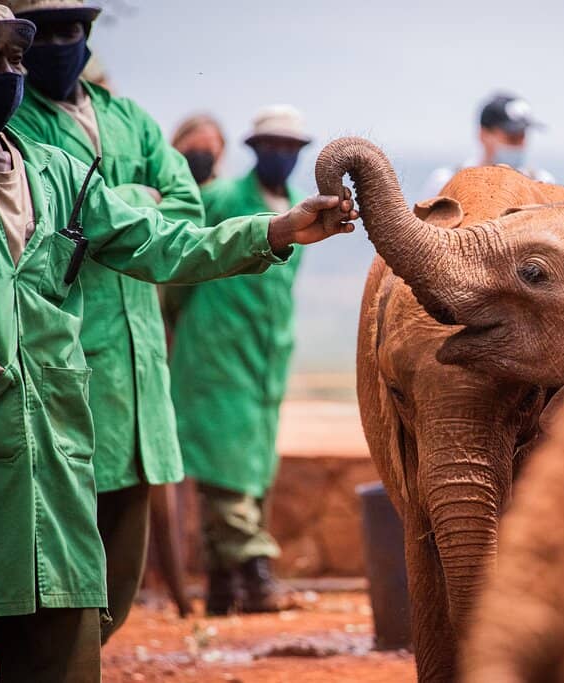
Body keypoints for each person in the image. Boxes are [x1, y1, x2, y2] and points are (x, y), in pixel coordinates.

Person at [0, 2, 356, 679]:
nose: (9, 73)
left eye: (15, 57)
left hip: (56, 463)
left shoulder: (54, 173)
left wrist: (276, 231)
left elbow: (164, 237)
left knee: (75, 639)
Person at [0, 0, 207, 643]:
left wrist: (114, 213)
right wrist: (138, 206)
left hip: (139, 369)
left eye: (75, 31)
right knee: (59, 552)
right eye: (49, 33)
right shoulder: (17, 127)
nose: (64, 44)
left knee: (123, 551)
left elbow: (186, 210)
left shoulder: (129, 121)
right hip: (69, 359)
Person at [167, 106, 311, 616]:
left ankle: (224, 587)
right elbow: (177, 258)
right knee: (224, 468)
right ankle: (256, 574)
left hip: (264, 360)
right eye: (270, 145)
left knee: (246, 469)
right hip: (214, 352)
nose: (280, 155)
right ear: (253, 150)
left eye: (289, 148)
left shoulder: (298, 209)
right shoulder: (221, 199)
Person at [421, 92, 554, 199]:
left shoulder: (543, 183)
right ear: (483, 135)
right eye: (512, 137)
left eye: (523, 136)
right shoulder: (444, 182)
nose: (520, 144)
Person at [172, 113, 226, 186]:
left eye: (207, 150)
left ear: (220, 152)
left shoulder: (228, 194)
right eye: (192, 149)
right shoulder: (160, 188)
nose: (199, 156)